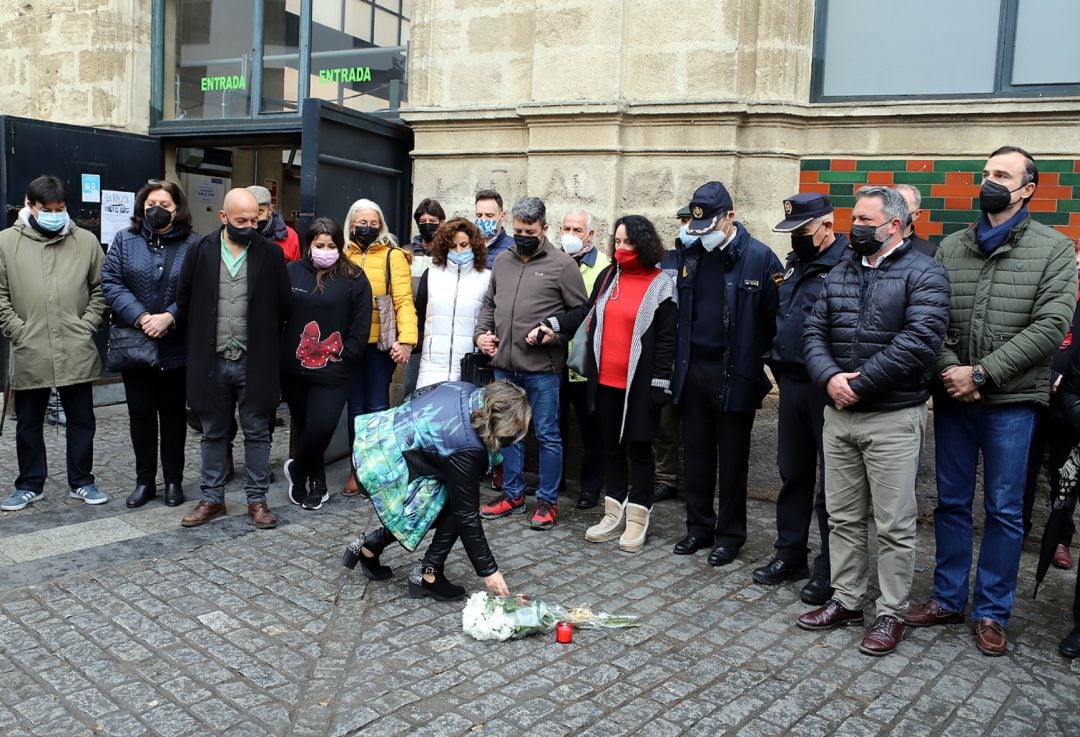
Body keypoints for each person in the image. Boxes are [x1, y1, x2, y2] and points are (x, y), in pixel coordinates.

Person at [906, 146, 1076, 656]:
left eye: (1001, 175)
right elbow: (931, 318)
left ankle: (991, 612)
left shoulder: (1053, 248)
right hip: (955, 400)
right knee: (952, 504)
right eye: (985, 173)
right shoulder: (952, 246)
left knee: (1004, 511)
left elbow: (1051, 326)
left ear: (1027, 188)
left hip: (1012, 404)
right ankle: (947, 598)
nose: (989, 181)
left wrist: (982, 373)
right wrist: (951, 371)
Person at [797, 186, 949, 657]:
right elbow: (813, 329)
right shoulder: (841, 269)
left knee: (893, 523)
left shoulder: (925, 271)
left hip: (892, 416)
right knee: (841, 516)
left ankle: (890, 611)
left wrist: (859, 384)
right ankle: (846, 599)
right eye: (854, 219)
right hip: (839, 413)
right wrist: (829, 378)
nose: (854, 227)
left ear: (895, 225)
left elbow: (921, 340)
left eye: (865, 220)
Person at [535, 215, 676, 551]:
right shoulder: (609, 276)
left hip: (640, 385)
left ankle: (638, 519)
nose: (621, 248)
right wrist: (553, 323)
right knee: (610, 448)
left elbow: (667, 339)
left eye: (628, 242)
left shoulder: (661, 284)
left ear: (644, 244)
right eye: (618, 241)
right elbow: (586, 311)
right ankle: (613, 513)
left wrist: (661, 383)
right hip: (605, 381)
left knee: (639, 449)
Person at [670, 181, 782, 565]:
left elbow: (775, 321)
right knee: (697, 456)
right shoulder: (691, 252)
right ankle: (698, 527)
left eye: (711, 227)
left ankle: (730, 536)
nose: (703, 235)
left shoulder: (760, 257)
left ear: (730, 217)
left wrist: (755, 364)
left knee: (732, 461)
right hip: (694, 369)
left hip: (735, 371)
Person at [342, 380, 529, 601]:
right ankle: (428, 573)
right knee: (454, 507)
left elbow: (417, 395)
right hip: (386, 464)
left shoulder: (466, 390)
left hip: (377, 437)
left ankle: (369, 547)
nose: (514, 438)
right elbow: (467, 516)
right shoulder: (467, 447)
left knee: (454, 499)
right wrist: (489, 571)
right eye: (514, 431)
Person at [754, 192, 851, 605]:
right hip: (791, 382)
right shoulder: (794, 266)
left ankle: (830, 569)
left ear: (827, 225)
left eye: (804, 231)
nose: (796, 238)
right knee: (792, 473)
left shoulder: (847, 266)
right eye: (791, 231)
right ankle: (789, 552)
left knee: (833, 486)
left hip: (826, 388)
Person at [175, 188, 291, 530]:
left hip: (254, 361)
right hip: (210, 360)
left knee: (257, 432)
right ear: (223, 217)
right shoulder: (201, 250)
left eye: (255, 220)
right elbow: (184, 299)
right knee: (212, 432)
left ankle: (257, 500)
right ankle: (212, 498)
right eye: (241, 220)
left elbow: (285, 305)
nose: (249, 226)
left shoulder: (270, 253)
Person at [475, 196, 588, 530]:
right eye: (518, 229)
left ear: (544, 228)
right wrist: (482, 334)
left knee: (549, 435)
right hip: (503, 364)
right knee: (508, 434)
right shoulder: (503, 261)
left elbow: (581, 311)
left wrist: (552, 330)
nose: (523, 235)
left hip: (542, 369)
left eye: (530, 230)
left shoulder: (562, 264)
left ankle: (548, 502)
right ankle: (513, 495)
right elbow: (490, 303)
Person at [0, 175, 108, 511]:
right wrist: (18, 329)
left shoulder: (85, 241)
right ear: (29, 206)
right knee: (29, 423)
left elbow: (100, 290)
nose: (54, 214)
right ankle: (30, 484)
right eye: (47, 209)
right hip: (30, 346)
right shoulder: (5, 242)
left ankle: (82, 481)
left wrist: (86, 324)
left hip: (75, 345)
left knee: (82, 420)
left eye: (60, 209)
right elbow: (0, 295)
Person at [101, 179, 199, 509]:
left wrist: (169, 316)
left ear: (178, 209)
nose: (156, 210)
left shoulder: (193, 245)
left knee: (173, 417)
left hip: (176, 345)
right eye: (150, 204)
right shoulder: (124, 240)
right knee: (140, 416)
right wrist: (143, 317)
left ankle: (173, 480)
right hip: (136, 346)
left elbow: (198, 289)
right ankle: (145, 481)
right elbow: (111, 282)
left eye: (165, 205)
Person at [280, 218, 371, 510]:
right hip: (294, 369)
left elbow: (360, 326)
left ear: (340, 246)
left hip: (334, 370)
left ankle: (297, 469)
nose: (325, 251)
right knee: (307, 428)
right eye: (319, 245)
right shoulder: (291, 273)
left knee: (321, 427)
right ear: (309, 245)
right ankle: (316, 480)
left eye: (331, 246)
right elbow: (277, 315)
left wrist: (347, 360)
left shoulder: (354, 278)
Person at [341, 198, 418, 496]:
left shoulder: (393, 256)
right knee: (355, 410)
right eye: (362, 223)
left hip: (380, 346)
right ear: (351, 223)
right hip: (349, 344)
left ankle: (376, 470)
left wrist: (407, 340)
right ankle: (355, 467)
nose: (368, 228)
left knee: (377, 409)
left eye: (374, 224)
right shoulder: (341, 253)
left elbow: (403, 301)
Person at [557, 207, 610, 509]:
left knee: (593, 429)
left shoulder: (603, 266)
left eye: (577, 230)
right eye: (566, 229)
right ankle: (556, 479)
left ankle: (591, 487)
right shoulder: (555, 261)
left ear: (590, 234)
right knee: (555, 422)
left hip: (589, 363)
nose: (571, 236)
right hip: (554, 359)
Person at [414, 218, 490, 388]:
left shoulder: (486, 278)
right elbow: (418, 316)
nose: (458, 250)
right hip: (432, 366)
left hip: (469, 366)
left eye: (464, 245)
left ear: (474, 245)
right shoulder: (431, 274)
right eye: (452, 246)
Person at [403, 198, 446, 395]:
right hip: (414, 328)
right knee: (411, 387)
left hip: (439, 326)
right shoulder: (406, 252)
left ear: (442, 223)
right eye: (423, 220)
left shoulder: (448, 253)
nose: (427, 224)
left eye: (432, 220)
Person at [247, 185, 299, 262]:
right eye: (249, 211)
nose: (255, 217)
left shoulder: (290, 236)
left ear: (270, 209)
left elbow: (294, 270)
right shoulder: (236, 232)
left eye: (260, 211)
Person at [474, 189, 516, 268]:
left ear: (502, 216)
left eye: (489, 216)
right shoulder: (467, 245)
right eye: (479, 215)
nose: (483, 220)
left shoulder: (513, 248)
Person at [893, 183, 937, 257]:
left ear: (917, 214)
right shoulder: (873, 246)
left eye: (903, 206)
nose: (895, 210)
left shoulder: (927, 250)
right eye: (890, 204)